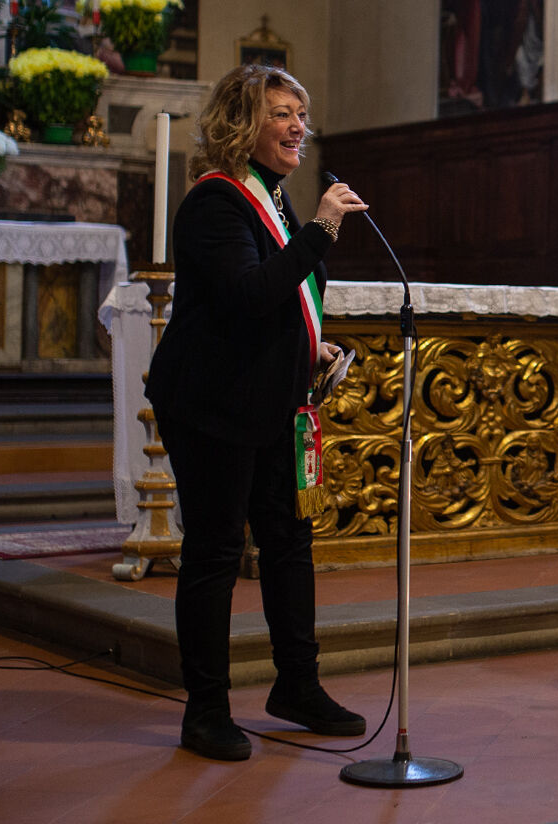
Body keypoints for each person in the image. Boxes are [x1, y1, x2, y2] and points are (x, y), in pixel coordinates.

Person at [145, 65, 371, 762]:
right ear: (243, 125)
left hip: (271, 400)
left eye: (301, 113)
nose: (298, 125)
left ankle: (296, 686)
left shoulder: (270, 203)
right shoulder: (215, 203)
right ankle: (205, 711)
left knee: (289, 544)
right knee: (214, 554)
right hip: (213, 406)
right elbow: (247, 295)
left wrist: (310, 345)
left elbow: (278, 302)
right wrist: (323, 229)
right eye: (281, 113)